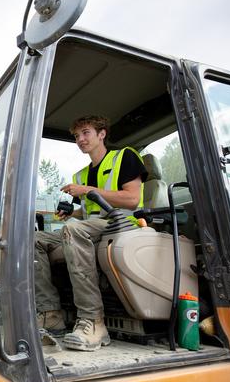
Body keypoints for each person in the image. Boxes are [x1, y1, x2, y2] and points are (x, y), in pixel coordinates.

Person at [35, 115, 147, 351]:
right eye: (77, 136)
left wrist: (87, 190)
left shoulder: (123, 157)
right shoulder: (82, 174)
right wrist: (71, 213)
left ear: (102, 134)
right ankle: (50, 314)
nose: (80, 139)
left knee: (74, 231)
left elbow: (132, 199)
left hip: (121, 224)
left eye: (86, 132)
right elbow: (87, 213)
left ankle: (93, 321)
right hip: (91, 227)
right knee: (33, 240)